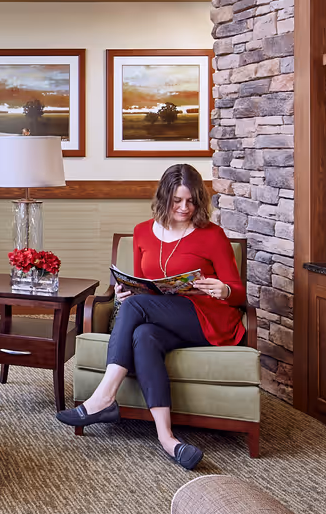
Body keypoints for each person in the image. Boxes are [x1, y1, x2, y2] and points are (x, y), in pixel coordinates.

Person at [55, 163, 243, 471]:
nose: (184, 207)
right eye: (177, 200)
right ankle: (168, 439)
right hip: (163, 317)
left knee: (135, 311)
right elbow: (143, 289)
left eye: (191, 201)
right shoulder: (143, 232)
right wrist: (123, 293)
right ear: (164, 197)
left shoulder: (212, 235)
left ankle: (103, 397)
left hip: (208, 319)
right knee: (143, 335)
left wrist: (222, 289)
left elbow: (238, 292)